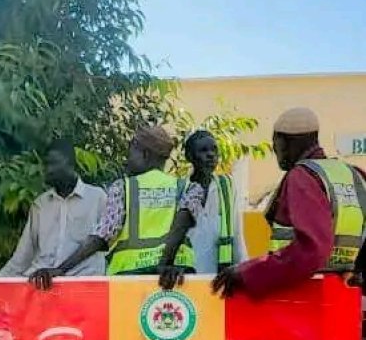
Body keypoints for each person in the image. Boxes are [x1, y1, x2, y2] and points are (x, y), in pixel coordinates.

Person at [213, 107, 366, 299]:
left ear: (284, 141)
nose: (275, 151)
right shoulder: (355, 175)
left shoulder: (303, 176)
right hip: (343, 298)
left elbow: (312, 250)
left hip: (302, 298)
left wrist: (248, 273)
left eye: (274, 144)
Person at [31, 124, 202, 288]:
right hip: (175, 277)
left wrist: (61, 269)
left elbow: (101, 236)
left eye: (131, 152)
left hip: (128, 279)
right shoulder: (188, 188)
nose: (128, 159)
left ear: (145, 154)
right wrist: (165, 263)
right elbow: (182, 223)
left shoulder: (123, 188)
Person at [0, 138, 107, 278]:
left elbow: (105, 242)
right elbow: (22, 257)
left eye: (53, 164)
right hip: (43, 285)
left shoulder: (97, 198)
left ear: (71, 164)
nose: (47, 170)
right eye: (46, 165)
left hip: (83, 283)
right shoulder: (40, 205)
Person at [159, 130, 247, 289]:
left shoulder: (226, 186)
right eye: (203, 151)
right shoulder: (180, 190)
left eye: (214, 150)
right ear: (190, 157)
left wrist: (243, 270)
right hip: (186, 280)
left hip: (219, 279)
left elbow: (237, 233)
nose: (211, 155)